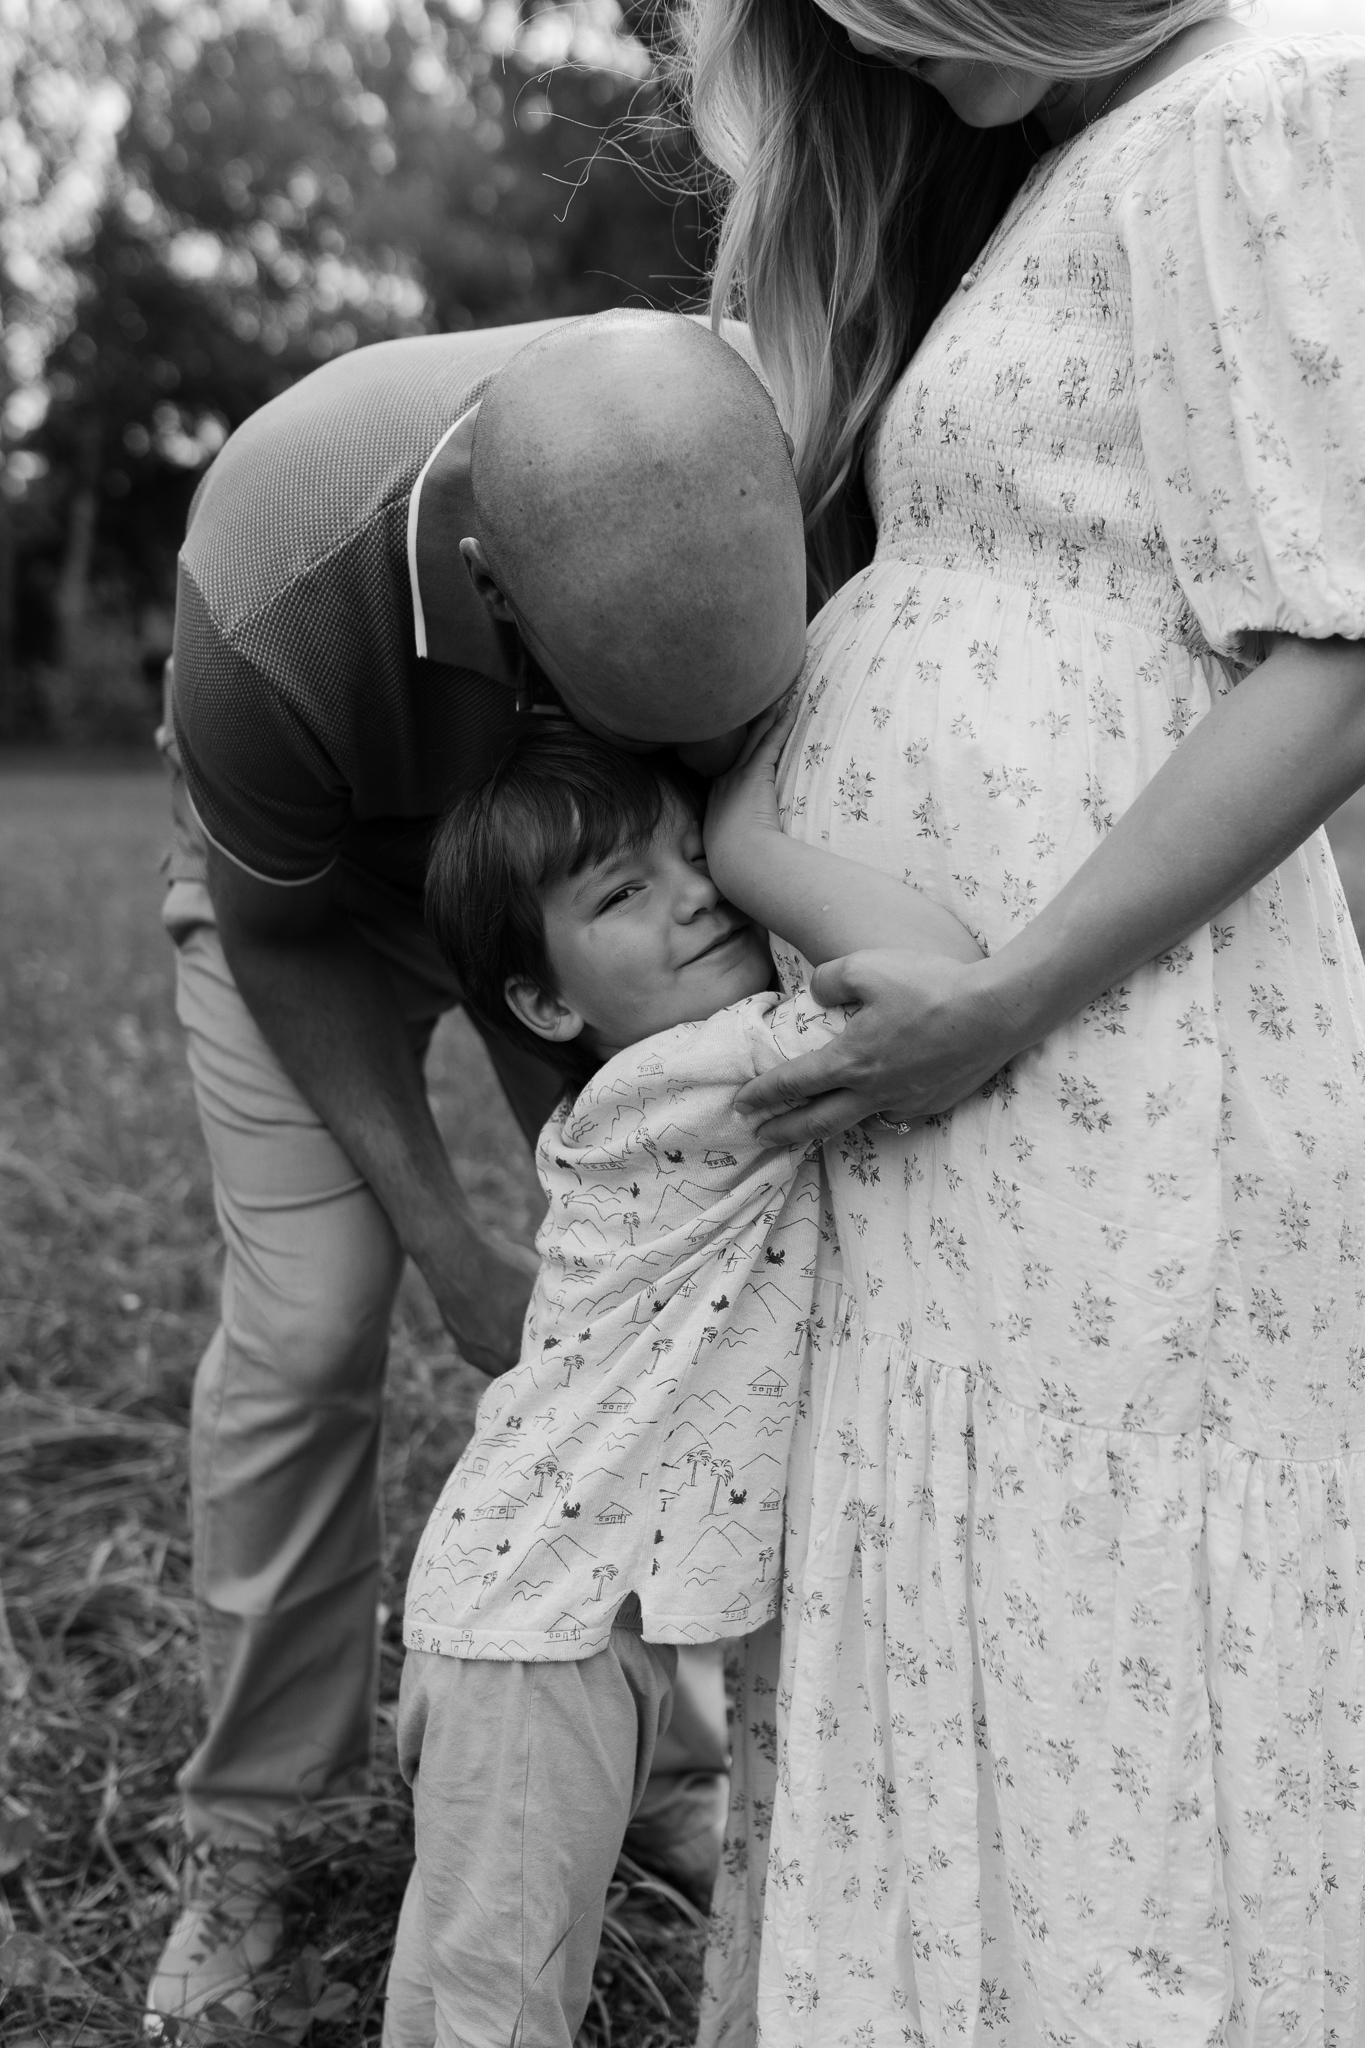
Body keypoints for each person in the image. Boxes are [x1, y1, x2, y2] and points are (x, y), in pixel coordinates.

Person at [684, 3, 1365, 2042]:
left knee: (1098, 1623)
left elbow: (1331, 646)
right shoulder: (1068, 154)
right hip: (984, 1089)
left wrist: (1004, 990)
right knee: (969, 1615)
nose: (867, 52)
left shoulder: (1256, 110)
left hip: (1106, 1060)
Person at [146, 310, 810, 2027]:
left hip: (599, 898)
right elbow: (276, 933)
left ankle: (651, 1753)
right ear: (494, 595)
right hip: (321, 903)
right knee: (308, 1327)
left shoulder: (738, 434)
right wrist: (447, 1236)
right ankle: (250, 1842)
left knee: (650, 1325)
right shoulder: (271, 588)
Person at [381, 714, 980, 2048]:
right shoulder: (686, 1081)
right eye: (624, 890)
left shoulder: (665, 1076)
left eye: (685, 851)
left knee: (463, 1982)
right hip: (539, 1631)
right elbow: (933, 982)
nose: (699, 890)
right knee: (503, 2003)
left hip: (574, 1609)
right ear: (547, 1006)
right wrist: (758, 828)